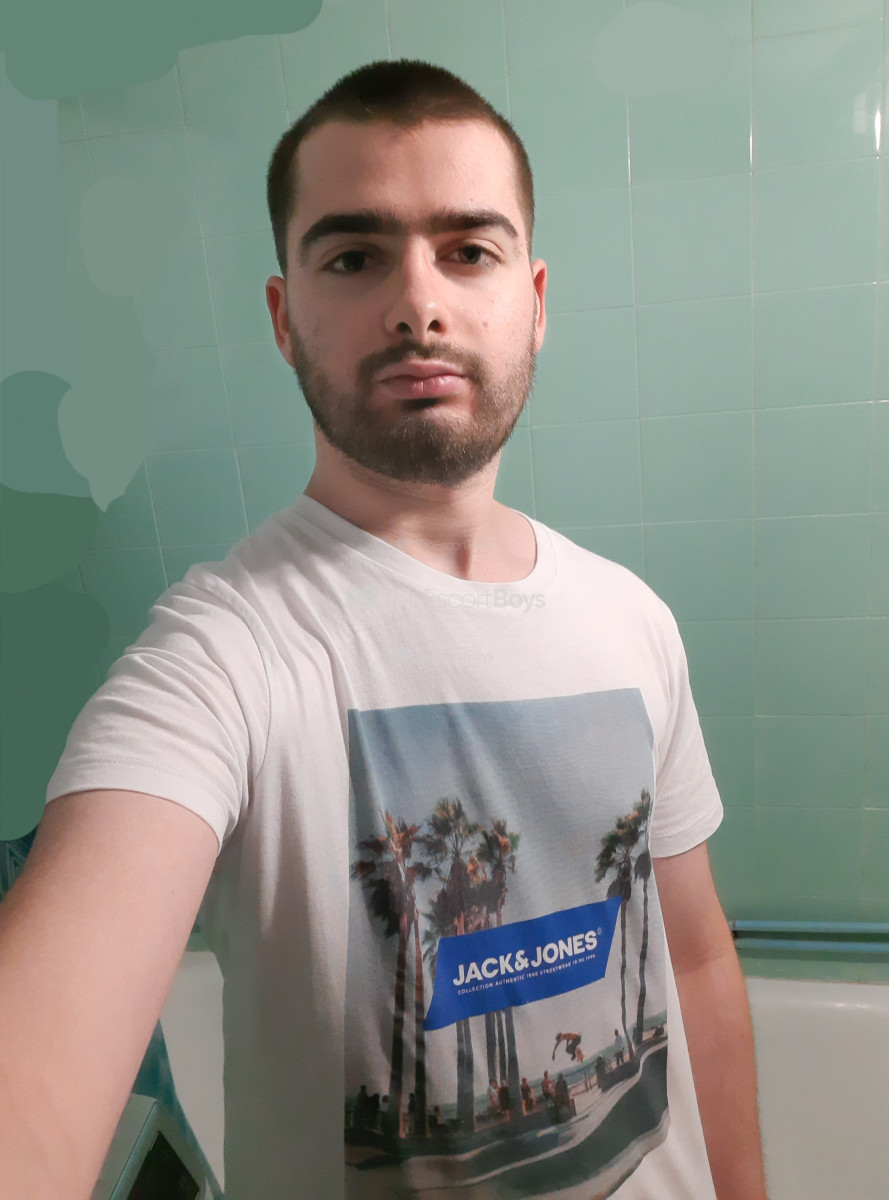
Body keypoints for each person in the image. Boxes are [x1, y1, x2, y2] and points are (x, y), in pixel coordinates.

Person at [0, 58, 767, 1200]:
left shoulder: (632, 619)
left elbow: (695, 961)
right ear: (283, 317)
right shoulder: (220, 657)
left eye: (468, 250)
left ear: (536, 301)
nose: (419, 304)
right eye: (355, 257)